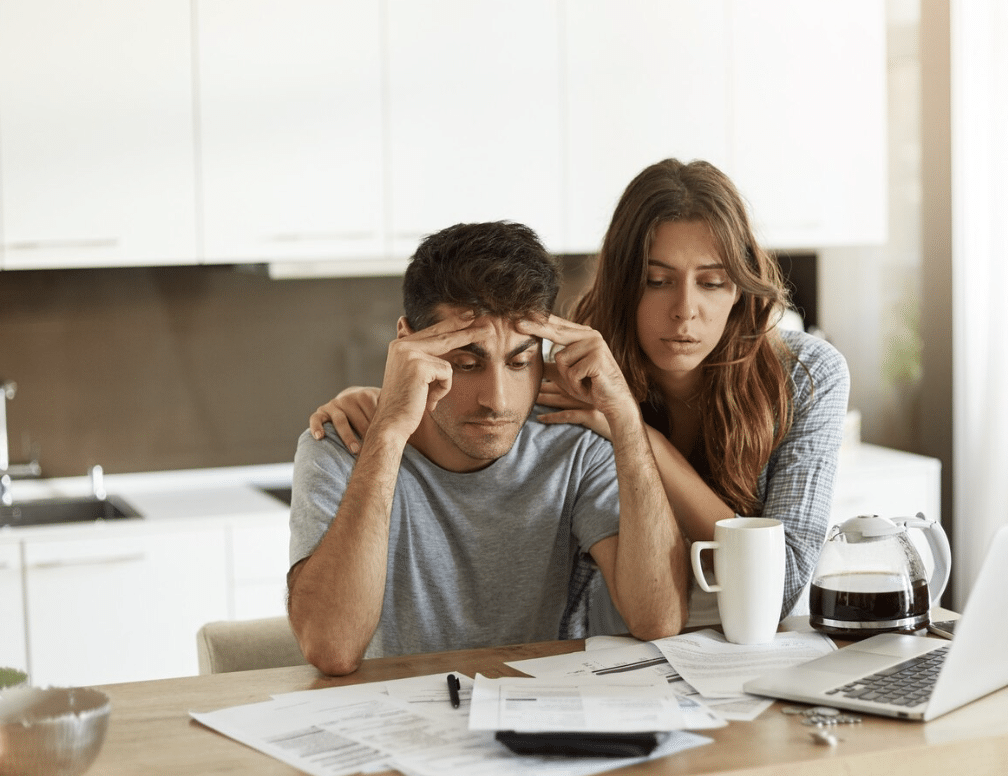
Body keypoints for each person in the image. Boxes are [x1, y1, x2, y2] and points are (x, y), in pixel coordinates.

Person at [310, 159, 849, 631]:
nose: (685, 310)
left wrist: (634, 432)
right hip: (617, 650)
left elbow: (781, 586)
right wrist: (383, 405)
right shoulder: (574, 366)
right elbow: (487, 380)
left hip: (752, 640)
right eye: (657, 280)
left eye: (711, 281)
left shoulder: (806, 376)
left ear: (740, 286)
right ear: (622, 281)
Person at [287, 220, 687, 676]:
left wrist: (626, 419)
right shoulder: (344, 445)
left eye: (520, 361)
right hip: (399, 727)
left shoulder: (574, 446)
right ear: (406, 344)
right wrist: (389, 434)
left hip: (545, 721)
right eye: (466, 362)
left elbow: (659, 620)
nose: (497, 400)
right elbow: (332, 648)